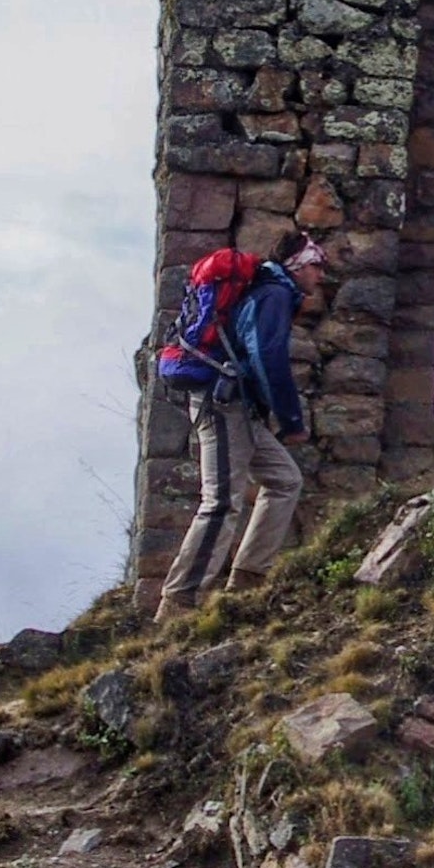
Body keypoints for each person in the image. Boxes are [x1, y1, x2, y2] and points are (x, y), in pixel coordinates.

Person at [151, 230, 327, 619]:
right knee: (220, 502)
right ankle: (179, 602)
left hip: (236, 405)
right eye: (316, 265)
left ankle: (248, 578)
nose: (321, 275)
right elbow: (267, 359)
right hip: (223, 405)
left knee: (285, 480)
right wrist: (290, 418)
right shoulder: (274, 295)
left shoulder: (268, 290)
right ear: (295, 266)